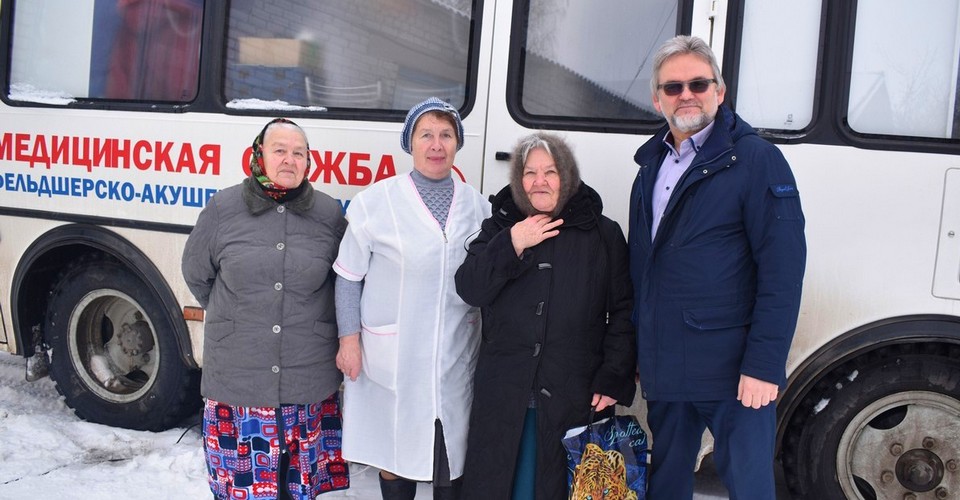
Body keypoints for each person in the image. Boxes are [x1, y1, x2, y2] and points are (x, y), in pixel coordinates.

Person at [628, 35, 806, 499]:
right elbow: (643, 268)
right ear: (657, 99)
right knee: (666, 484)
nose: (686, 95)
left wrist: (764, 365)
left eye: (698, 84)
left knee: (749, 487)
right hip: (668, 364)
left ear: (720, 91)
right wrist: (642, 349)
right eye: (673, 87)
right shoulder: (650, 167)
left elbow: (783, 272)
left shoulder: (757, 160)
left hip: (734, 371)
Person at [455, 132, 637, 499]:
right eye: (530, 173)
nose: (540, 181)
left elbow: (623, 311)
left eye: (550, 172)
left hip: (574, 393)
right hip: (506, 392)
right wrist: (513, 243)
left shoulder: (603, 233)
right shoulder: (500, 226)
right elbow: (470, 288)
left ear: (567, 176)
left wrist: (613, 376)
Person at [182, 118, 349, 499]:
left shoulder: (328, 213)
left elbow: (343, 281)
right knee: (243, 488)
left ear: (309, 162)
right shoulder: (223, 207)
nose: (289, 160)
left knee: (295, 487)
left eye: (298, 153)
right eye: (280, 150)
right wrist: (239, 317)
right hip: (238, 375)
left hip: (306, 374)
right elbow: (196, 272)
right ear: (259, 156)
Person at [333, 97, 490, 499]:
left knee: (451, 453)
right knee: (394, 451)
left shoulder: (478, 207)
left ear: (457, 143)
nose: (436, 145)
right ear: (410, 143)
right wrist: (349, 341)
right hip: (392, 353)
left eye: (446, 135)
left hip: (456, 350)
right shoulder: (376, 202)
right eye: (426, 135)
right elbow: (348, 277)